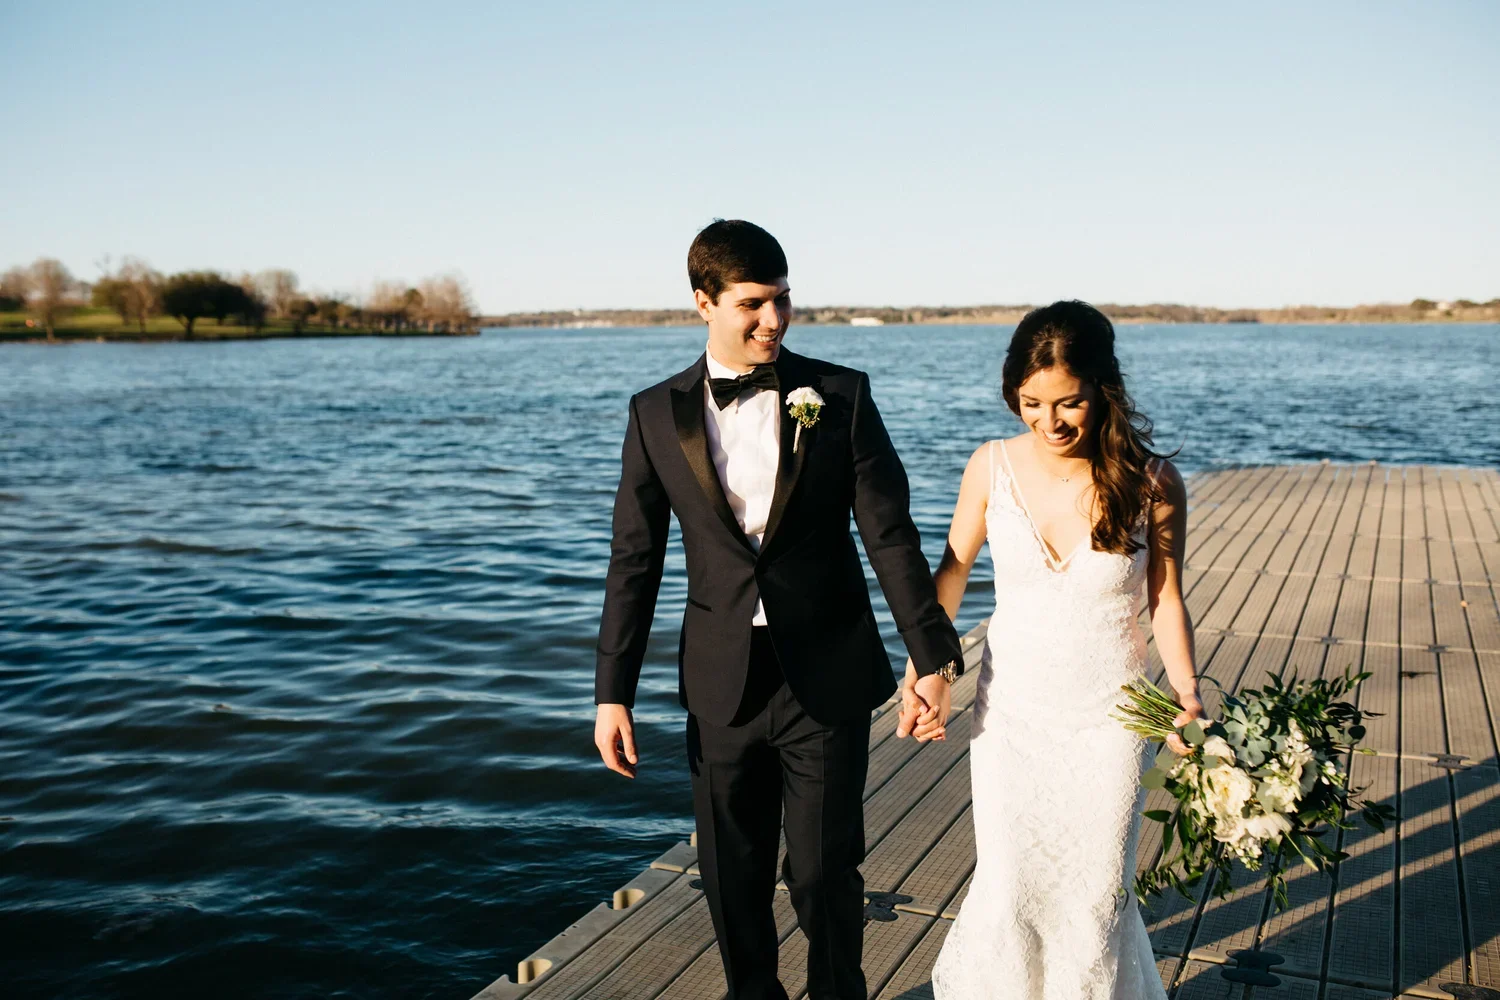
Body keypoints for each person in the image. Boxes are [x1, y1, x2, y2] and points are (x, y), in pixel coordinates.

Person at [594, 219, 964, 1000]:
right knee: (731, 871)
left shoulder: (840, 395)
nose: (774, 320)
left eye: (784, 300)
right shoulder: (653, 414)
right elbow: (635, 560)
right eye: (754, 304)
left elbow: (890, 538)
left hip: (823, 675)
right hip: (721, 681)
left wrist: (931, 657)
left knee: (826, 866)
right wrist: (611, 693)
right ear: (704, 302)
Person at [897, 300, 1203, 999]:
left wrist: (1186, 696)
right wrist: (930, 672)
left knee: (1096, 902)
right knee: (1009, 892)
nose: (1049, 421)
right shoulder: (990, 466)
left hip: (1115, 721)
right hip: (1013, 717)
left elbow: (1165, 602)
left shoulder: (1154, 484)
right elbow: (949, 577)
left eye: (1070, 403)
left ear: (1104, 392)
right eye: (1031, 403)